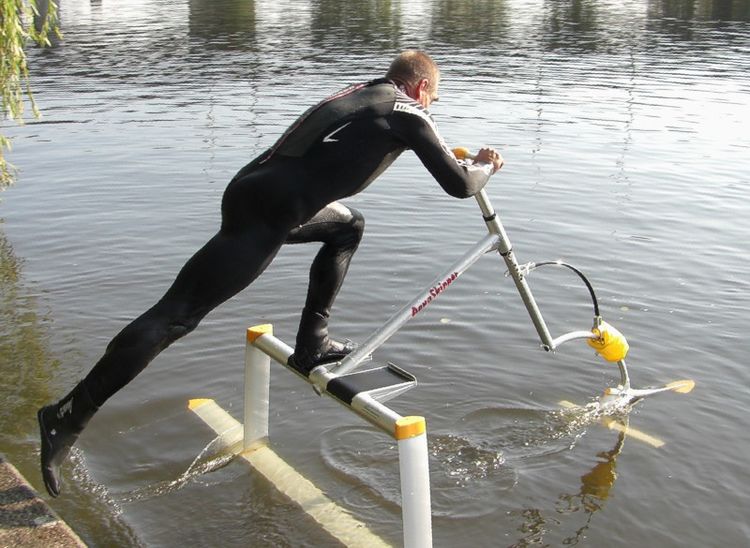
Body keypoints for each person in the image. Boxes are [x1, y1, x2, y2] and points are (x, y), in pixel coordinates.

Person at [37, 50, 505, 497]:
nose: (431, 106)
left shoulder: (365, 94)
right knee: (175, 317)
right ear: (422, 87)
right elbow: (460, 185)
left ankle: (312, 345)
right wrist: (484, 165)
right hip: (265, 214)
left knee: (347, 228)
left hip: (256, 193)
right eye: (434, 98)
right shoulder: (409, 110)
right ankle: (65, 417)